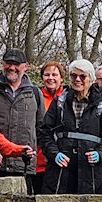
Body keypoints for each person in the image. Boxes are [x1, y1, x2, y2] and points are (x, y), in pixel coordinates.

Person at [38, 59, 102, 194]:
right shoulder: (59, 103)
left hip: (91, 174)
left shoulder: (101, 106)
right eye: (74, 76)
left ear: (91, 79)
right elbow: (44, 133)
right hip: (60, 174)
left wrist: (100, 153)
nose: (77, 80)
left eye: (82, 76)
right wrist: (54, 153)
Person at [0, 49, 44, 192]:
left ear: (25, 66)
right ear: (2, 64)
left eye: (16, 64)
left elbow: (41, 127)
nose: (12, 68)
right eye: (8, 63)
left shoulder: (35, 93)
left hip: (24, 164)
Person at [34, 60, 67, 192]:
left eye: (55, 75)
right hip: (39, 159)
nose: (51, 78)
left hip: (61, 158)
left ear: (62, 78)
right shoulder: (35, 96)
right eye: (47, 75)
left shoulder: (67, 98)